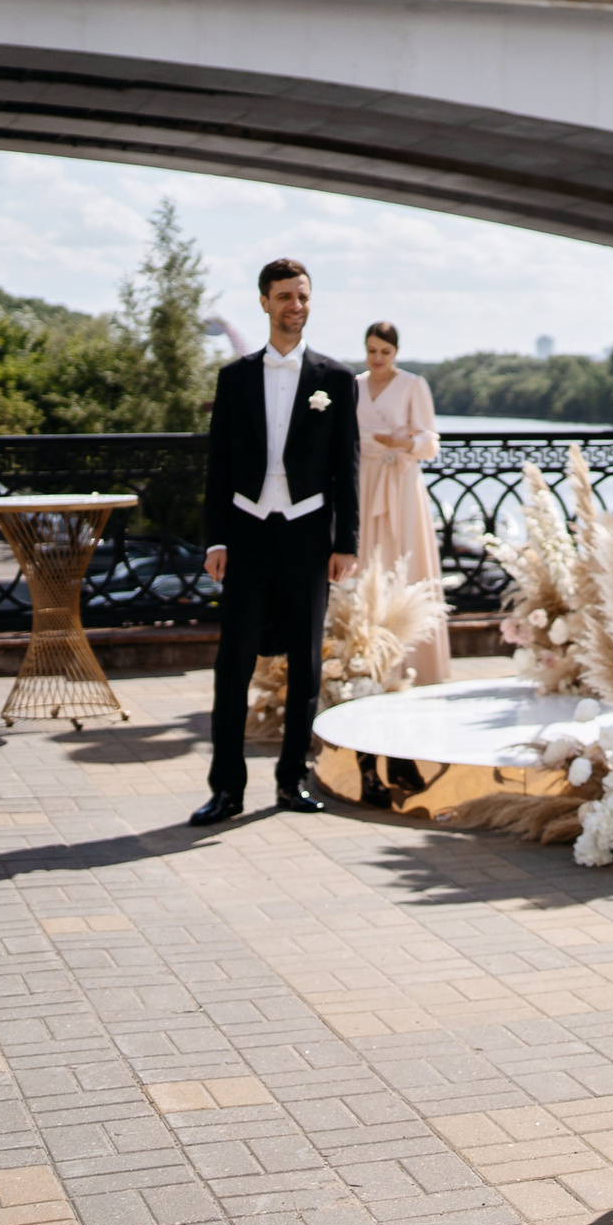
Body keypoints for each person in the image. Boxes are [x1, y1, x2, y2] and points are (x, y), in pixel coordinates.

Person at [191, 259, 361, 826]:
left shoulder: (336, 380)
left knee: (307, 665)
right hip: (246, 531)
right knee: (232, 662)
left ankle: (292, 781)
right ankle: (226, 789)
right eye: (285, 296)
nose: (295, 305)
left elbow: (347, 467)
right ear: (264, 302)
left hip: (309, 534)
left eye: (303, 296)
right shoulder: (234, 377)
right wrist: (215, 538)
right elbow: (217, 467)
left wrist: (347, 541)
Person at [354, 320, 451, 686]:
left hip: (399, 484)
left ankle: (412, 664)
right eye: (371, 351)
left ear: (396, 352)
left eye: (385, 352)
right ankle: (363, 659)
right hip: (364, 481)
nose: (378, 358)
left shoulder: (413, 385)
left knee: (404, 563)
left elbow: (430, 443)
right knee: (364, 564)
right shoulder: (355, 385)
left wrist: (401, 445)